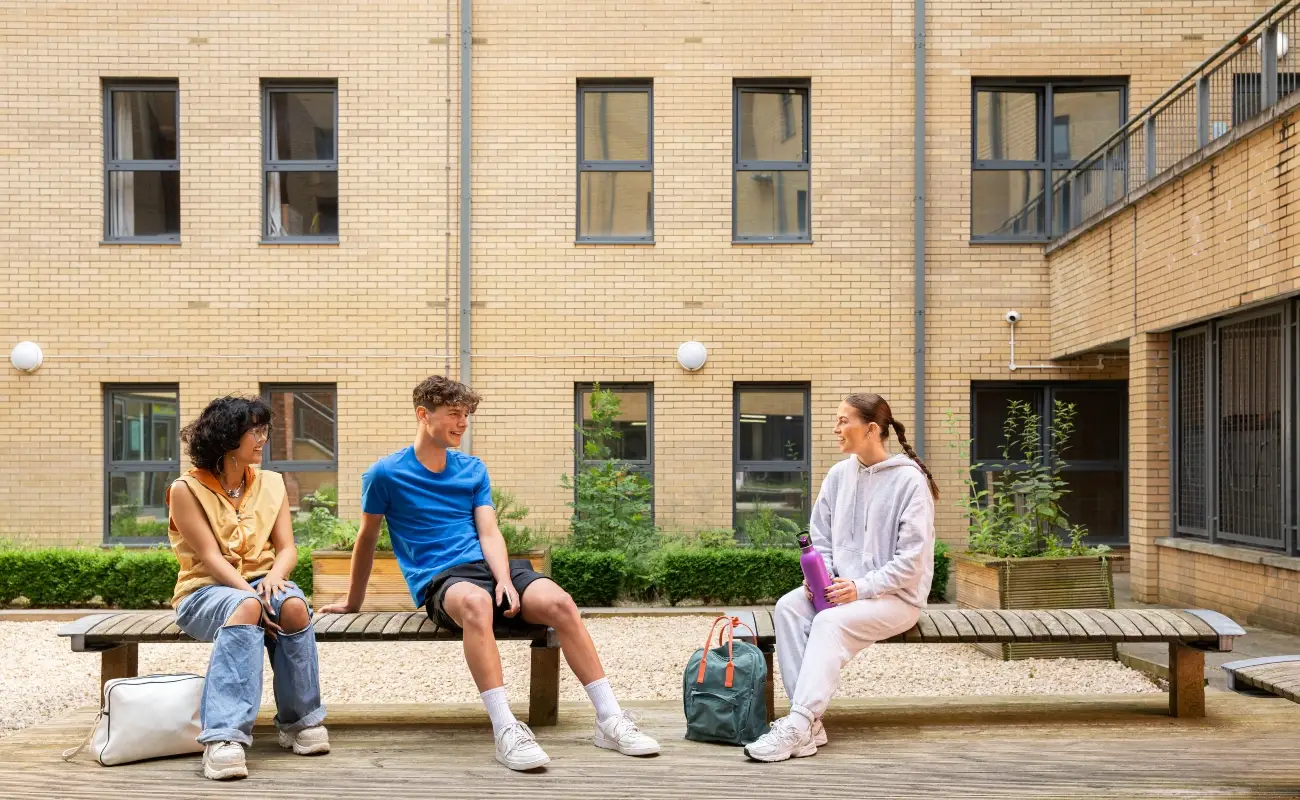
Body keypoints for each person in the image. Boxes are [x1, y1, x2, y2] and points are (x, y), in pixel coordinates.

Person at [320, 375, 659, 771]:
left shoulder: (472, 469)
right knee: (478, 603)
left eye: (466, 415)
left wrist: (503, 579)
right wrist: (353, 601)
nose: (462, 423)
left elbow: (488, 530)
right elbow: (366, 538)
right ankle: (506, 729)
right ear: (423, 415)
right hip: (443, 581)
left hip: (489, 568)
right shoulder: (385, 474)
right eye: (454, 414)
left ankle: (610, 719)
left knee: (561, 603)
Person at [743, 393, 938, 763]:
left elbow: (911, 561)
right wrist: (822, 579)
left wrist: (861, 587)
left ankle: (798, 723)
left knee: (829, 622)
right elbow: (821, 537)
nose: (836, 429)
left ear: (871, 429)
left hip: (895, 599)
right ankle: (810, 725)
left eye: (843, 421)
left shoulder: (910, 482)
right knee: (788, 607)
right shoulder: (839, 474)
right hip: (842, 590)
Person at [167, 396, 328, 781]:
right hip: (204, 591)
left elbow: (288, 548)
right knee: (247, 607)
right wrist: (253, 595)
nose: (262, 439)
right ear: (226, 437)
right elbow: (210, 557)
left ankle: (299, 721)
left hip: (259, 583)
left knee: (293, 607)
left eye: (264, 430)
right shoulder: (185, 489)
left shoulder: (272, 483)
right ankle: (224, 737)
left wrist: (275, 577)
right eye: (253, 431)